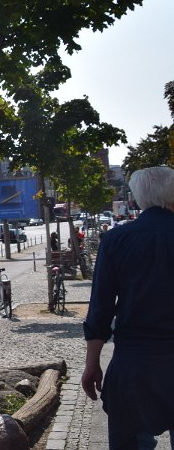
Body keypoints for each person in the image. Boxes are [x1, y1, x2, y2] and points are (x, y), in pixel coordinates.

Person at [82, 166, 174, 448]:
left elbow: (100, 308)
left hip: (134, 363)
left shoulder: (116, 240)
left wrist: (92, 363)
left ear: (136, 198)